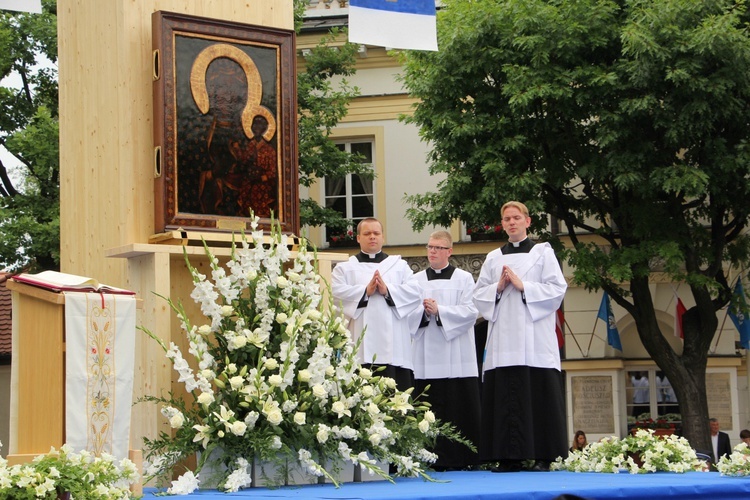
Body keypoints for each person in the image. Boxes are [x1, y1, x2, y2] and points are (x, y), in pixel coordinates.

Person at [473, 201, 568, 472]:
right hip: (503, 340)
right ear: (501, 224)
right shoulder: (493, 258)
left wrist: (523, 285)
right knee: (505, 395)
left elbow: (557, 288)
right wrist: (499, 287)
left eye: (516, 218)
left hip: (534, 339)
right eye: (506, 219)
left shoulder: (542, 253)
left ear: (528, 222)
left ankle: (544, 456)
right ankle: (508, 456)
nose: (511, 222)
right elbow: (478, 296)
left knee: (537, 393)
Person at [407, 230, 481, 470]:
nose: (432, 252)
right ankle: (426, 456)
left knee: (457, 406)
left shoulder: (464, 278)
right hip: (426, 357)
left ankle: (462, 458)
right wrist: (423, 312)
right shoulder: (415, 281)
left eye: (438, 248)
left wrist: (441, 312)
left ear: (449, 251)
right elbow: (406, 316)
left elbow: (471, 313)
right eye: (430, 247)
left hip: (456, 358)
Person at [331, 218, 422, 390]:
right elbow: (335, 294)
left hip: (395, 350)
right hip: (359, 349)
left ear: (383, 237)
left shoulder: (399, 266)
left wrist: (388, 291)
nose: (372, 237)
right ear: (358, 238)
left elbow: (415, 292)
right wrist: (365, 292)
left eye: (376, 233)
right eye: (367, 233)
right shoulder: (344, 268)